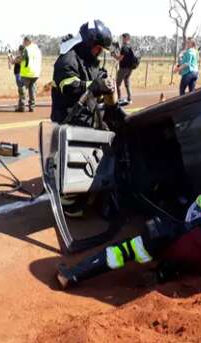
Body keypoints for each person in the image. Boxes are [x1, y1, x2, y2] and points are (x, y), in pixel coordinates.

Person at [56, 185, 201, 289]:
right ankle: (165, 271)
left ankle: (73, 274)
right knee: (185, 257)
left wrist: (183, 226)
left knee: (132, 247)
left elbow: (198, 203)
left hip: (196, 238)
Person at [50, 20, 126, 218]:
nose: (100, 52)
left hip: (88, 121)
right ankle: (68, 203)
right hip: (68, 121)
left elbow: (103, 85)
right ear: (89, 43)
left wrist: (110, 96)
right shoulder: (68, 60)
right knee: (72, 164)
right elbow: (68, 86)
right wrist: (94, 85)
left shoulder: (93, 63)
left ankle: (89, 192)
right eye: (98, 48)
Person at [16, 36, 42, 112]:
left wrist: (14, 61)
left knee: (22, 90)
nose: (23, 44)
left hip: (27, 73)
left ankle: (21, 106)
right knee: (32, 90)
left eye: (24, 42)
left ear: (27, 41)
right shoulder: (37, 49)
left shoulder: (27, 49)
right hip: (35, 73)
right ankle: (32, 106)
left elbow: (22, 58)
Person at [114, 33, 138, 104]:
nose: (122, 39)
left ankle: (119, 99)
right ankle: (129, 98)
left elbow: (120, 58)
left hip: (123, 69)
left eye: (123, 38)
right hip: (130, 69)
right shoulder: (130, 47)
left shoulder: (124, 47)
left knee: (117, 84)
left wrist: (114, 56)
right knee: (127, 83)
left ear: (126, 39)